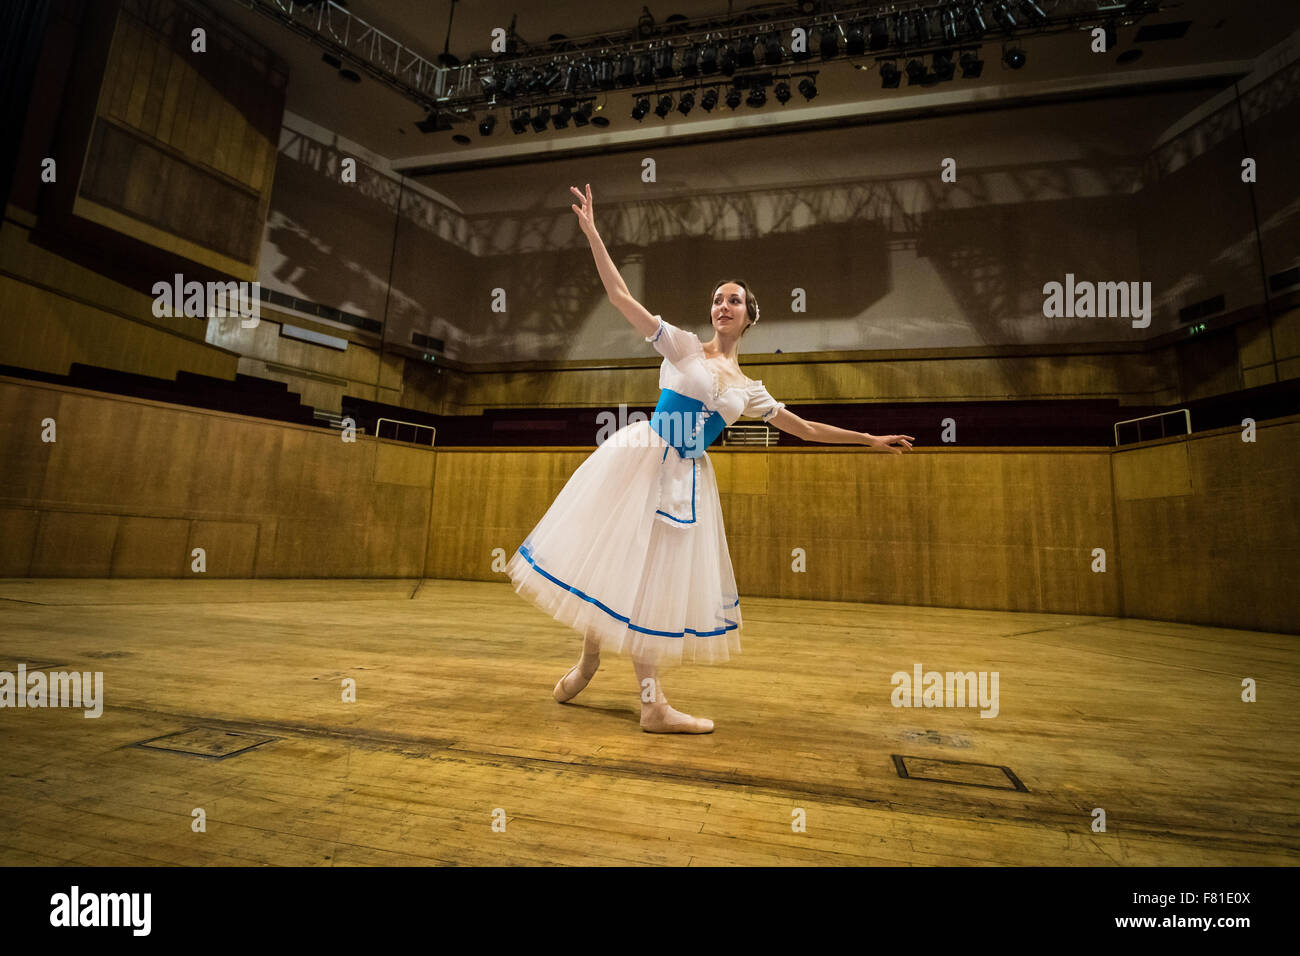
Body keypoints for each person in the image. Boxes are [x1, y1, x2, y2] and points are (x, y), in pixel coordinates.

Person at [504, 183, 914, 734]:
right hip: (642, 458)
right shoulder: (684, 346)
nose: (723, 306)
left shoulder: (750, 390)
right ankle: (598, 667)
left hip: (686, 479)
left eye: (734, 301)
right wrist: (595, 236)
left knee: (646, 578)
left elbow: (806, 427)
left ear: (750, 317)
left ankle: (642, 698)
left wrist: (868, 439)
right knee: (617, 562)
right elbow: (623, 298)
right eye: (718, 299)